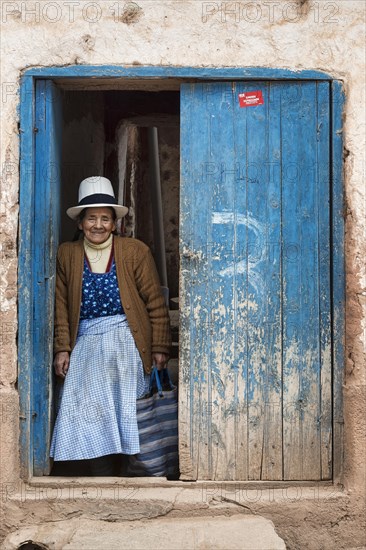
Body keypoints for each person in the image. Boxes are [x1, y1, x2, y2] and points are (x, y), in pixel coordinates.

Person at [50, 176, 171, 476]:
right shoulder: (67, 253)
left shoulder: (135, 251)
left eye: (105, 218)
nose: (98, 225)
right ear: (80, 223)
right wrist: (63, 348)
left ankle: (129, 470)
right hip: (87, 345)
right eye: (91, 218)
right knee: (90, 412)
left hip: (127, 343)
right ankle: (101, 472)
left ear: (114, 223)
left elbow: (155, 302)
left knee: (128, 409)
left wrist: (159, 347)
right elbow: (61, 307)